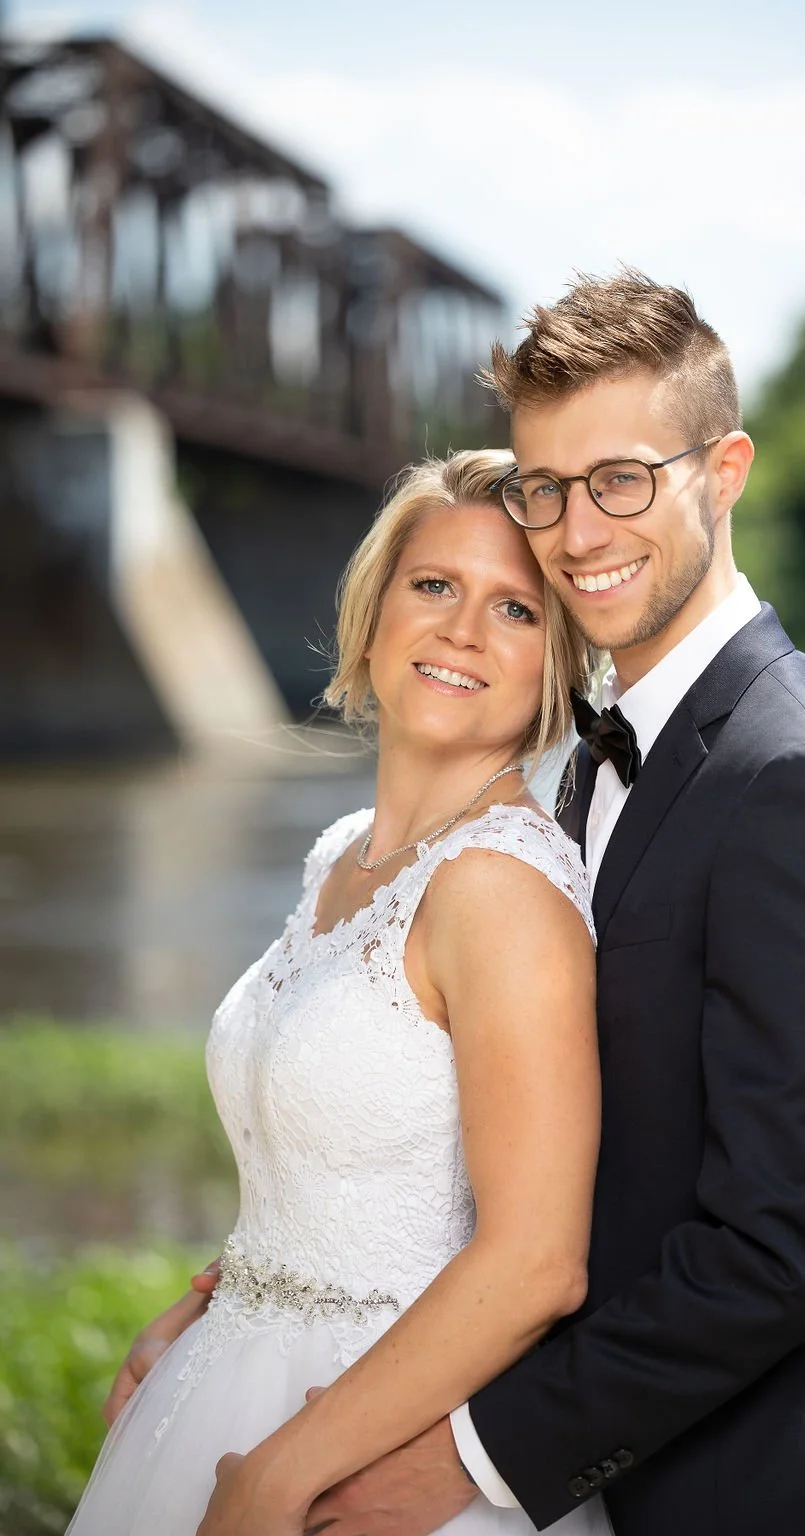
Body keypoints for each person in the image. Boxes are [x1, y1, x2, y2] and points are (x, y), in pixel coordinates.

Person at [100, 270, 805, 1536]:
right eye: (547, 487)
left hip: (720, 1492)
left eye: (622, 478)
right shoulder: (581, 775)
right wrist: (233, 1312)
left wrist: (470, 1464)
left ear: (723, 472)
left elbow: (780, 1252)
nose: (577, 529)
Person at [66, 449, 612, 1536]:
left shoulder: (498, 890)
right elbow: (336, 1157)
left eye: (513, 607)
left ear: (554, 665)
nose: (461, 630)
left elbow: (538, 1260)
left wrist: (277, 1478)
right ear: (373, 616)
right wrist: (199, 1310)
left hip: (368, 1445)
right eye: (433, 586)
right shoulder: (342, 855)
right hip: (224, 1381)